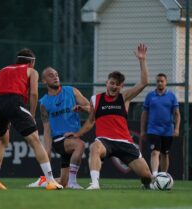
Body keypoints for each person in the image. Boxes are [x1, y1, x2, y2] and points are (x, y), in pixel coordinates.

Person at [65, 43, 153, 190]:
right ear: (107, 83)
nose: (114, 86)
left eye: (117, 85)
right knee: (94, 147)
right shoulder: (95, 99)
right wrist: (77, 133)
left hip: (125, 142)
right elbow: (91, 120)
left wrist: (142, 60)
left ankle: (148, 185)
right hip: (105, 141)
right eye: (112, 83)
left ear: (122, 87)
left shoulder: (124, 97)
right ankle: (94, 183)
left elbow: (144, 82)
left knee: (147, 177)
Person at [0, 49, 63, 190]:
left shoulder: (2, 70)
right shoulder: (31, 71)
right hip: (14, 102)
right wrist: (32, 115)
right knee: (35, 140)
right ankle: (50, 181)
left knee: (2, 141)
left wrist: (3, 112)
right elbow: (34, 94)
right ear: (32, 62)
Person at [27, 67, 90, 189]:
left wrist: (83, 109)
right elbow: (47, 129)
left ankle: (44, 181)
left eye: (56, 74)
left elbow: (90, 108)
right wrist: (47, 152)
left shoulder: (72, 91)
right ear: (44, 81)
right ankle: (73, 183)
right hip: (59, 140)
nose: (55, 77)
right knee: (80, 145)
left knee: (62, 183)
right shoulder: (44, 103)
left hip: (73, 137)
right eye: (51, 75)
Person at [140, 73, 180, 177]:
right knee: (154, 152)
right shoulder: (150, 96)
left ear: (166, 82)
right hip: (153, 129)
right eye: (158, 81)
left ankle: (163, 176)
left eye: (162, 81)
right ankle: (154, 175)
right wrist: (143, 130)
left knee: (165, 154)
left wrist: (176, 129)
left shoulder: (172, 96)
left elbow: (177, 114)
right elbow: (144, 114)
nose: (160, 83)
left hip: (167, 130)